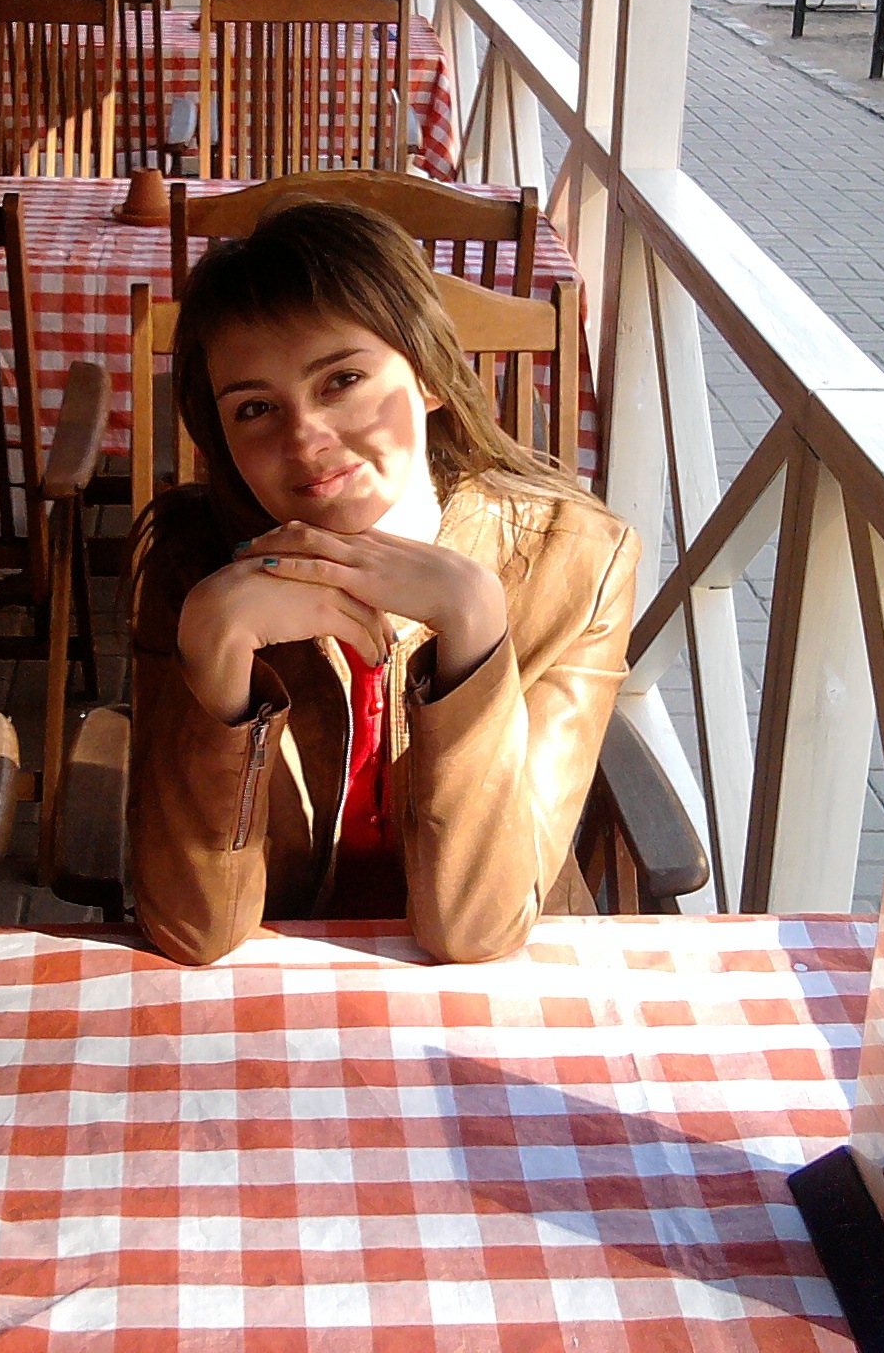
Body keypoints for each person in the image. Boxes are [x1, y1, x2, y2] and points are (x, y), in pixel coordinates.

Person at [127, 201, 638, 966]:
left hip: (495, 997)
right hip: (272, 978)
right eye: (256, 408)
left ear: (428, 374)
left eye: (342, 380)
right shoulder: (192, 566)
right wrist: (215, 663)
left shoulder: (575, 559)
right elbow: (192, 931)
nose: (305, 437)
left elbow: (476, 930)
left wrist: (474, 629)